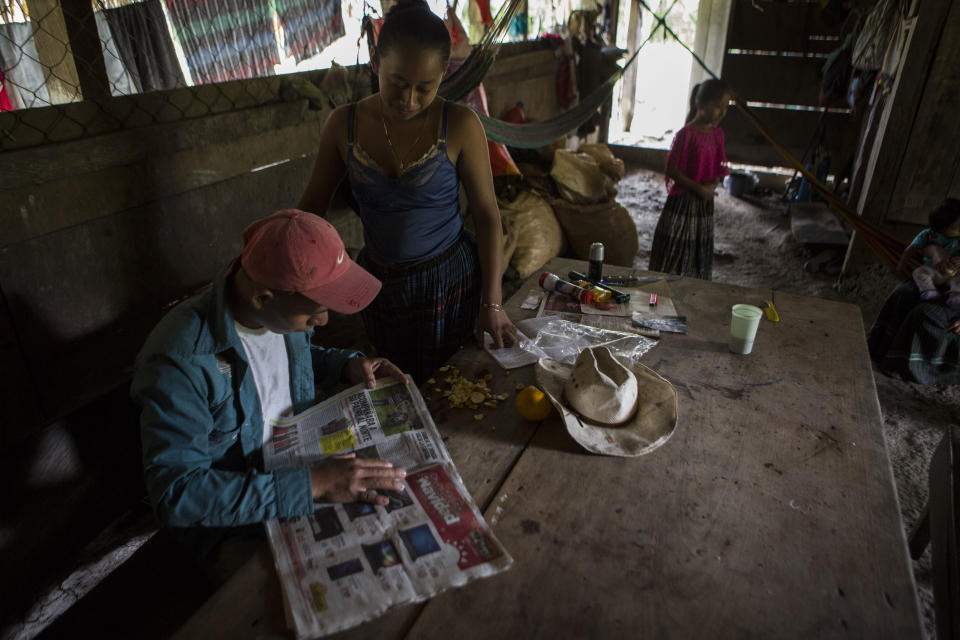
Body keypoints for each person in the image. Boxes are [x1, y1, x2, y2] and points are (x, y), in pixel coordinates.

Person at [131, 210, 409, 570]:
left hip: (299, 463)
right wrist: (313, 485)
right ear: (263, 298)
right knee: (281, 585)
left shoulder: (275, 315)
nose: (323, 321)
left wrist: (345, 364)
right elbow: (178, 494)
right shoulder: (181, 360)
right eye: (316, 312)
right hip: (229, 518)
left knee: (387, 526)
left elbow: (295, 354)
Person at [298, 0, 517, 384]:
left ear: (442, 79)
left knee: (455, 388)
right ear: (374, 64)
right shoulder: (343, 126)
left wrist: (493, 303)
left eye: (425, 88)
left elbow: (486, 215)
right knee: (397, 384)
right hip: (382, 290)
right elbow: (310, 213)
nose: (409, 100)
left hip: (450, 285)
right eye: (397, 84)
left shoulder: (461, 125)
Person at [868, 199, 960, 384]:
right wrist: (935, 250)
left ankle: (914, 368)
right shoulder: (937, 235)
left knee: (926, 313)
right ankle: (880, 349)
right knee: (905, 294)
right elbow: (924, 244)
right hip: (944, 278)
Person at [648, 79, 732, 280]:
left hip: (704, 206)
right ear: (701, 105)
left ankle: (694, 287)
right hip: (683, 204)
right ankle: (666, 286)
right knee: (676, 246)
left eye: (725, 108)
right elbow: (672, 169)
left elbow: (719, 168)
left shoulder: (717, 135)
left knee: (697, 248)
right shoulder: (686, 135)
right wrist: (698, 188)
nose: (722, 113)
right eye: (718, 107)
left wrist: (712, 186)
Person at [904, 198, 960, 306]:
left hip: (953, 274)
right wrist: (901, 265)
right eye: (957, 229)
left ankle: (956, 295)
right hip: (932, 272)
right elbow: (911, 248)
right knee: (918, 272)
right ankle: (929, 291)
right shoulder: (929, 235)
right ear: (944, 227)